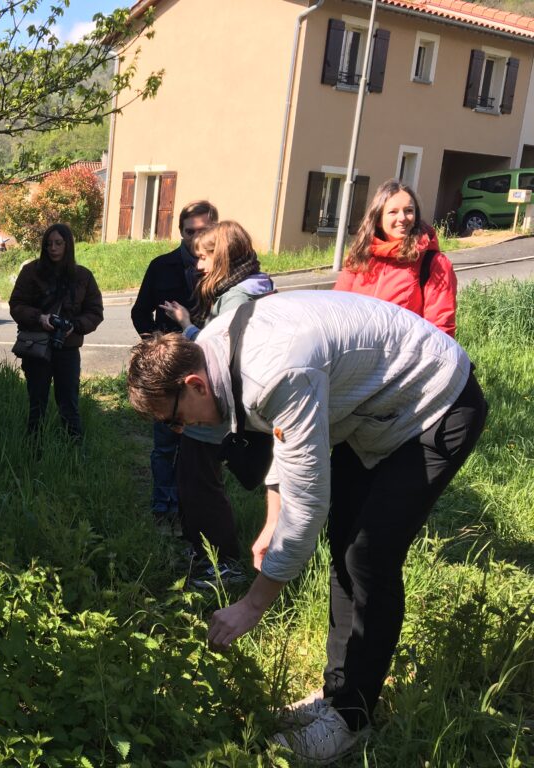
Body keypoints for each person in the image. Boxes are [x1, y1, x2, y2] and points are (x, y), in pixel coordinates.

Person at [127, 291, 487, 764]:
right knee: (344, 544)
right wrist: (272, 519)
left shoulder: (274, 371)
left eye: (175, 420)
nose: (181, 430)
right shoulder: (210, 351)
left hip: (433, 402)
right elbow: (288, 436)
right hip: (371, 411)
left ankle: (351, 718)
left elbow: (308, 503)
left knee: (368, 555)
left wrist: (253, 604)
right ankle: (337, 694)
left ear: (194, 384)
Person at [159, 221, 274, 588]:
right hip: (221, 405)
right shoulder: (243, 289)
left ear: (224, 256)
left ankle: (222, 564)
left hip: (214, 410)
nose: (200, 266)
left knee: (200, 485)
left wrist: (187, 327)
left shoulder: (237, 298)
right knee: (196, 481)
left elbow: (219, 355)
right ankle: (204, 552)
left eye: (206, 257)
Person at [131, 201, 219, 526]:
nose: (195, 238)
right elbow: (140, 311)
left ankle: (191, 511)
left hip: (210, 370)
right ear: (180, 231)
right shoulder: (161, 266)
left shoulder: (221, 269)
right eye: (189, 231)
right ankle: (163, 508)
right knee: (165, 445)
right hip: (169, 372)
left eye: (203, 231)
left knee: (201, 448)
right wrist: (156, 347)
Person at [9, 223, 104, 439]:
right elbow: (16, 305)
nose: (53, 248)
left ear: (68, 245)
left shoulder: (83, 276)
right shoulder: (31, 272)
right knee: (36, 403)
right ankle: (33, 448)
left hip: (67, 348)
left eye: (58, 243)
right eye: (49, 244)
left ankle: (73, 449)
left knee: (69, 403)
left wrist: (74, 326)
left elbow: (95, 312)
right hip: (37, 346)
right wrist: (39, 318)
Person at [335, 179, 457, 337]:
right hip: (357, 349)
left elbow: (440, 330)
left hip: (403, 352)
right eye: (393, 212)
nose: (403, 218)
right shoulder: (360, 256)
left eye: (409, 210)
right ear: (378, 220)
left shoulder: (434, 263)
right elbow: (337, 309)